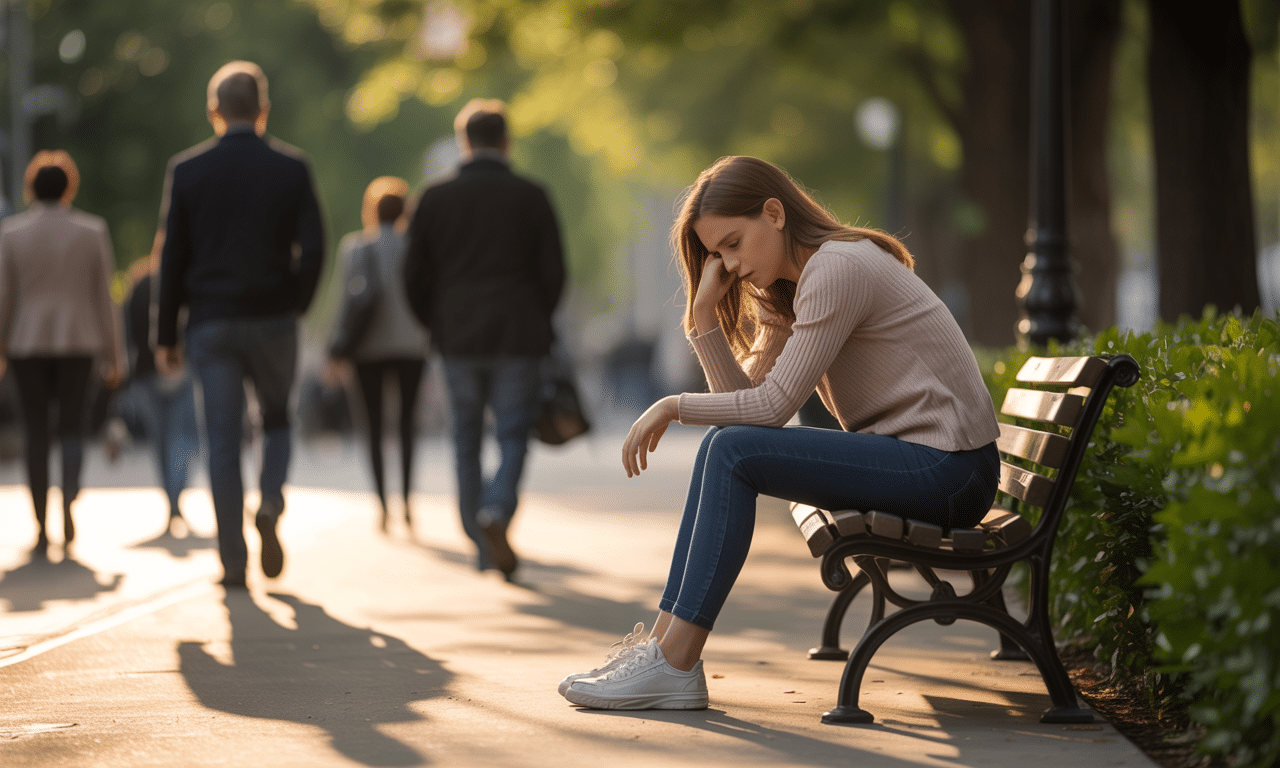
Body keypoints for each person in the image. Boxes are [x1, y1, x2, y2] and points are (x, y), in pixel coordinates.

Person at [558, 156, 1001, 710]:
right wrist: (701, 319)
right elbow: (738, 413)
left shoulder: (838, 268)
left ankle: (673, 662)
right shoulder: (790, 289)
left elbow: (768, 411)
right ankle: (665, 652)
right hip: (917, 461)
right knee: (727, 448)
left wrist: (672, 404)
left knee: (732, 451)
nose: (728, 264)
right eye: (716, 255)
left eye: (733, 243)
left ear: (774, 213)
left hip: (949, 470)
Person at [155, 61, 325, 588]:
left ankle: (232, 562)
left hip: (211, 323)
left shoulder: (187, 170)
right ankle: (271, 498)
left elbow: (173, 258)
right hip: (273, 318)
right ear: (263, 110)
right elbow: (314, 247)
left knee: (222, 441)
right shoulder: (292, 168)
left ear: (214, 112)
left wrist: (165, 334)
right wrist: (296, 301)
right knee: (277, 420)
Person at [403, 99, 566, 579]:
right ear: (507, 142)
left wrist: (433, 322)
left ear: (464, 143)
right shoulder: (532, 195)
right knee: (514, 433)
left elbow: (413, 275)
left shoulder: (433, 198)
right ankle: (497, 511)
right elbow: (553, 272)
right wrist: (538, 317)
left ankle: (478, 543)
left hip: (457, 338)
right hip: (518, 334)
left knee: (465, 438)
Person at [0, 150, 125, 555]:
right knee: (72, 426)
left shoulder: (12, 235)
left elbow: (4, 298)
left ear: (31, 187)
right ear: (69, 186)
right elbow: (104, 297)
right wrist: (114, 353)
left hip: (26, 342)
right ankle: (69, 496)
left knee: (36, 431)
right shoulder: (92, 231)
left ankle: (40, 525)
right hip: (79, 340)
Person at [327, 177, 429, 532]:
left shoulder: (355, 247)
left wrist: (335, 350)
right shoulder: (417, 245)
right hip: (412, 346)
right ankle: (407, 501)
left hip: (366, 349)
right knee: (406, 425)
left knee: (371, 427)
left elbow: (345, 304)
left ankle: (382, 505)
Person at [108, 244, 200, 535]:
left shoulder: (138, 284)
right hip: (181, 371)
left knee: (160, 441)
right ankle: (176, 496)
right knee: (183, 437)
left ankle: (171, 499)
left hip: (147, 375)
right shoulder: (188, 281)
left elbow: (126, 331)